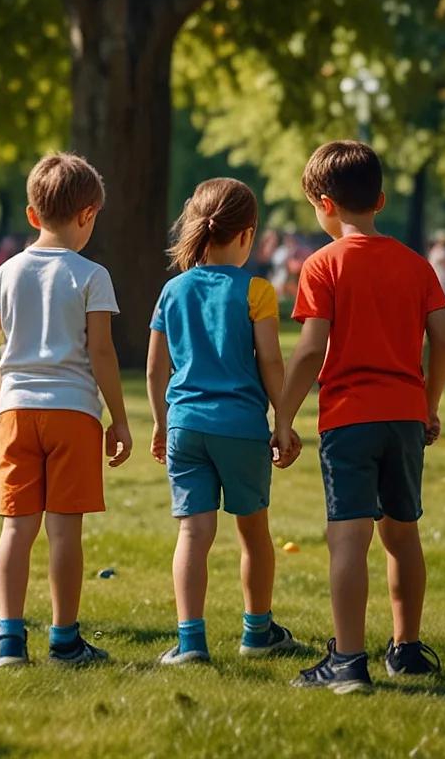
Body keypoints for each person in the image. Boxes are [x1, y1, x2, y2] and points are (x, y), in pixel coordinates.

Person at [278, 141, 445, 693]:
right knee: (402, 535)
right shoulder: (416, 264)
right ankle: (406, 650)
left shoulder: (322, 264)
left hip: (349, 418)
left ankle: (348, 662)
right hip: (404, 417)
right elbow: (444, 339)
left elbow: (311, 348)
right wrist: (428, 405)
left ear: (324, 204)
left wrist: (282, 417)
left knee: (348, 539)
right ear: (379, 199)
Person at [0, 154, 131, 667]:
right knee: (64, 532)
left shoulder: (7, 271)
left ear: (32, 214)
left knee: (16, 528)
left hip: (16, 412)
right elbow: (101, 352)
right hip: (74, 414)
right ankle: (64, 641)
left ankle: (10, 640)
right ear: (88, 215)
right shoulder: (93, 275)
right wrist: (118, 419)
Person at [147, 179, 305, 665]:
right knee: (253, 533)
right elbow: (271, 362)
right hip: (241, 429)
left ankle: (190, 642)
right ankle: (257, 633)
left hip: (185, 427)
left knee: (192, 534)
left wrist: (161, 424)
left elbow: (155, 369)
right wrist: (283, 420)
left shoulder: (172, 290)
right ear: (247, 234)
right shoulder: (256, 291)